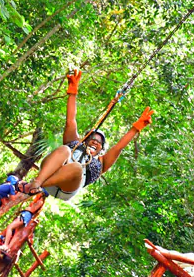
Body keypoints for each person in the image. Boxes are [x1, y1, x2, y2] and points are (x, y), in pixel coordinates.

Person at [16, 69, 154, 200]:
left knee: (76, 167)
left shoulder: (101, 162)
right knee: (65, 149)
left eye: (99, 142)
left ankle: (38, 185)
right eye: (93, 138)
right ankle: (35, 184)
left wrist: (136, 128)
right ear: (85, 139)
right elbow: (71, 120)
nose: (95, 142)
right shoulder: (74, 142)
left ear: (101, 149)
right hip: (50, 171)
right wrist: (73, 91)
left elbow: (118, 147)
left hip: (67, 187)